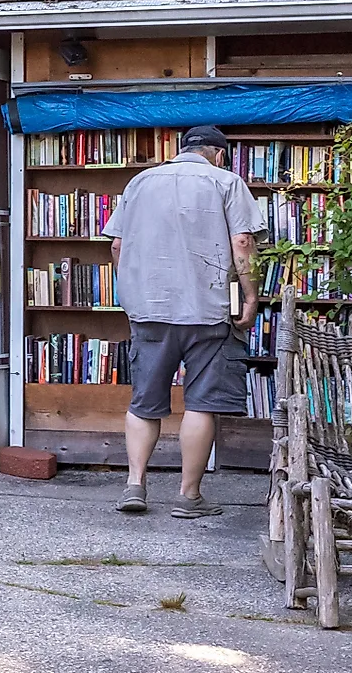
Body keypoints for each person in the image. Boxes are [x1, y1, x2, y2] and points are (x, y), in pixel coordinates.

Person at [103, 121, 264, 518]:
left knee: (144, 401)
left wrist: (132, 293)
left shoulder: (140, 182)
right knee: (201, 404)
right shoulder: (226, 182)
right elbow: (242, 242)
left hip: (150, 310)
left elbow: (117, 245)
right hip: (207, 311)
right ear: (219, 154)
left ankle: (135, 485)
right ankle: (188, 495)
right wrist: (250, 296)